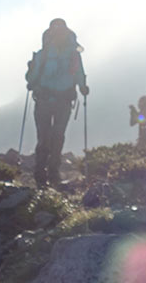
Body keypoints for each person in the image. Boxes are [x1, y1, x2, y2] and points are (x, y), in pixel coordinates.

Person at [25, 18, 89, 188]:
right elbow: (79, 74)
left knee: (46, 136)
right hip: (63, 101)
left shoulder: (44, 54)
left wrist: (31, 78)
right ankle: (51, 173)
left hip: (46, 100)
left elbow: (31, 79)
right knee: (56, 136)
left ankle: (42, 173)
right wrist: (83, 87)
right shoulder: (73, 55)